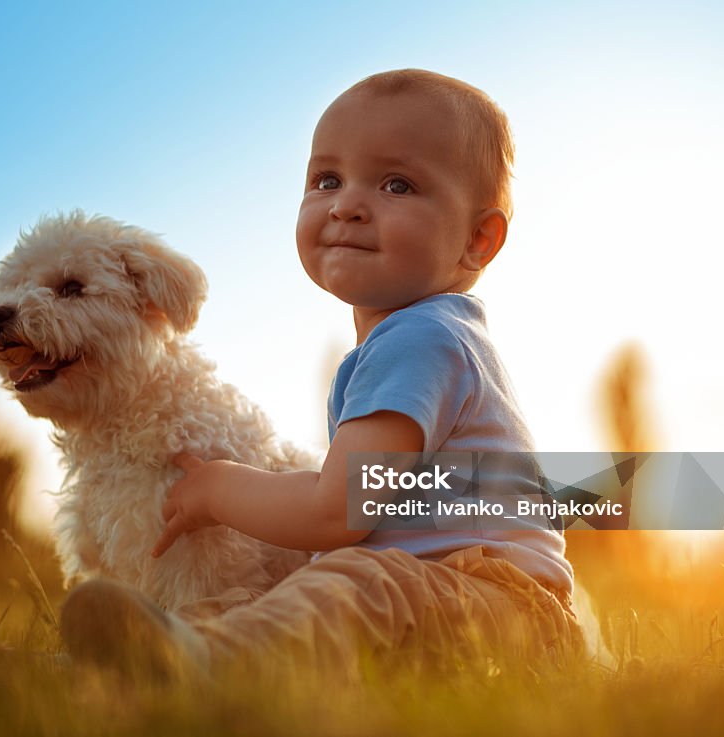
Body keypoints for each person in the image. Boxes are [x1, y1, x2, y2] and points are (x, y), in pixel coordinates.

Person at [61, 68, 583, 682]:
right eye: (326, 180)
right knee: (314, 591)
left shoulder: (422, 338)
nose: (347, 205)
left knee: (349, 584)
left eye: (397, 184)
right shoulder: (418, 340)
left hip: (501, 605)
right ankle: (152, 655)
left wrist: (220, 489)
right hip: (451, 598)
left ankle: (203, 660)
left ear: (477, 239)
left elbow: (339, 509)